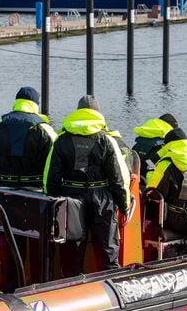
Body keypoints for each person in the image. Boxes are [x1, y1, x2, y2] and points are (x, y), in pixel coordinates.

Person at [43, 95, 130, 276]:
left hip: (71, 198)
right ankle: (111, 287)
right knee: (109, 250)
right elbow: (118, 178)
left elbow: (50, 178)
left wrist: (55, 202)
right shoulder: (106, 140)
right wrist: (124, 205)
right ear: (97, 114)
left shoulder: (62, 140)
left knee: (72, 253)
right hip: (102, 198)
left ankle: (72, 289)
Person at [0, 86, 57, 187]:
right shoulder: (44, 128)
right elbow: (55, 159)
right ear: (36, 104)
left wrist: (3, 177)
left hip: (5, 186)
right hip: (36, 188)